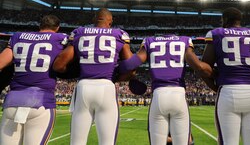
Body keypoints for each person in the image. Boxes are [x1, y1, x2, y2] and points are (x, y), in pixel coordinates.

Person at [53, 8, 134, 145]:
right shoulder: (119, 34)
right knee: (107, 141)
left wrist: (77, 71)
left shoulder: (79, 32)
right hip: (107, 86)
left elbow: (59, 65)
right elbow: (131, 67)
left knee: (77, 141)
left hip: (84, 86)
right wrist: (117, 78)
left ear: (93, 19)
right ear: (110, 21)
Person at [118, 33, 213, 145]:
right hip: (178, 95)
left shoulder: (149, 40)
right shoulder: (184, 40)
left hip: (159, 95)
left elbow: (134, 62)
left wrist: (115, 71)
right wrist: (215, 73)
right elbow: (199, 67)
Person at [201, 7, 250, 145]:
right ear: (239, 20)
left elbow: (204, 67)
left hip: (228, 91)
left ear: (224, 19)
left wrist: (214, 86)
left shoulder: (217, 33)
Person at [0, 15, 67, 145]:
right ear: (57, 28)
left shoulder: (18, 36)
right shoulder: (60, 38)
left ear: (39, 26)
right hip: (41, 101)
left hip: (12, 101)